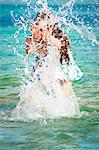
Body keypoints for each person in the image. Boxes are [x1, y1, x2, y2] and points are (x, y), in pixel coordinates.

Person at [11, 10, 83, 120]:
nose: (40, 31)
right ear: (32, 27)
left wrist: (48, 38)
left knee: (64, 90)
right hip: (43, 65)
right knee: (38, 86)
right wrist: (35, 40)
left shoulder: (54, 38)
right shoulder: (31, 38)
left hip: (61, 66)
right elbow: (29, 51)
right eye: (37, 28)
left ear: (49, 29)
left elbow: (60, 46)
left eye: (42, 29)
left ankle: (66, 113)